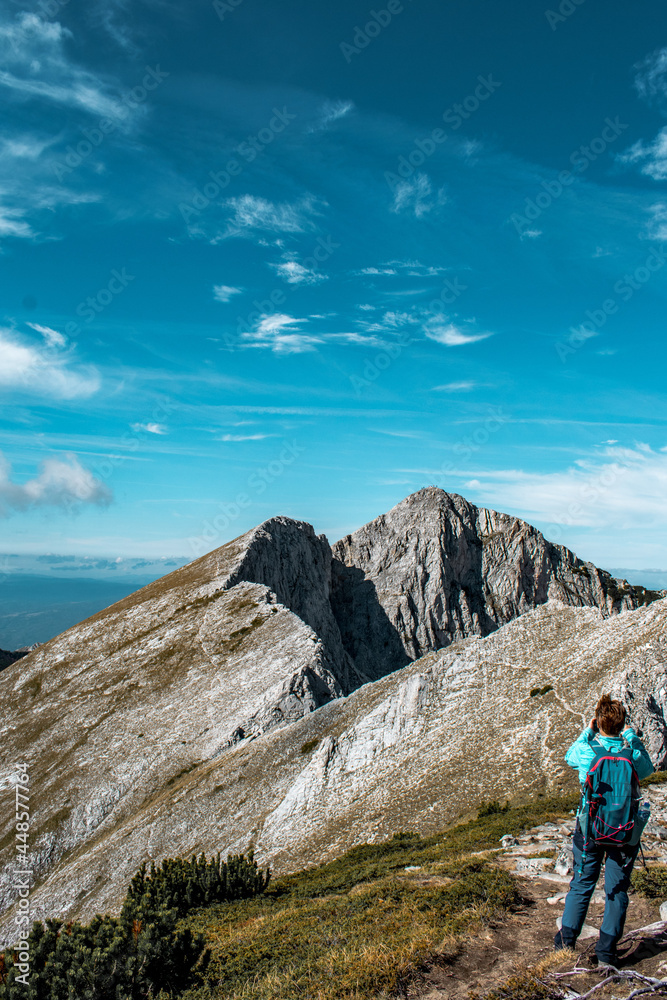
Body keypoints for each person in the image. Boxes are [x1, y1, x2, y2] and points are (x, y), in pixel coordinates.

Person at [554, 694, 654, 967]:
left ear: (599, 723)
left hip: (590, 831)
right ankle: (607, 951)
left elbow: (569, 755)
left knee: (583, 883)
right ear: (621, 725)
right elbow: (648, 768)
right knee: (617, 889)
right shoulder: (631, 754)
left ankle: (566, 941)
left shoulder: (588, 751)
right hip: (624, 833)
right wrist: (632, 738)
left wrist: (588, 730)